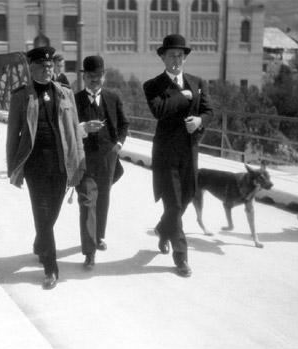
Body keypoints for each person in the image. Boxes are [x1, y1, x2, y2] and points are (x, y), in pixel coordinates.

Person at [6, 46, 85, 290]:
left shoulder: (65, 93)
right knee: (42, 215)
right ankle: (51, 268)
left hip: (61, 166)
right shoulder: (21, 96)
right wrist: (13, 168)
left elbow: (75, 131)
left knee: (52, 214)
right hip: (35, 166)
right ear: (31, 68)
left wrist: (79, 160)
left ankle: (41, 242)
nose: (47, 70)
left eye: (50, 66)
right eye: (41, 66)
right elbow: (12, 136)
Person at [143, 34, 213, 277]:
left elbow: (208, 111)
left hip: (189, 152)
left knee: (187, 196)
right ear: (162, 57)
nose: (176, 60)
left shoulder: (197, 82)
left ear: (185, 58)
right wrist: (182, 97)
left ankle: (163, 228)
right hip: (166, 155)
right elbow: (159, 110)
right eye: (171, 55)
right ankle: (181, 257)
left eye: (180, 55)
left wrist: (199, 121)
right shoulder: (153, 85)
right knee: (172, 202)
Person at [74, 56, 129, 269]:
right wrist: (83, 128)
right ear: (84, 77)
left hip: (108, 158)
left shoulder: (112, 97)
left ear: (104, 76)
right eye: (90, 76)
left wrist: (119, 145)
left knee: (103, 199)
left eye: (98, 75)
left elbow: (124, 124)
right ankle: (89, 252)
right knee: (88, 203)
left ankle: (98, 237)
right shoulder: (75, 100)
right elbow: (67, 130)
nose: (95, 79)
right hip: (85, 159)